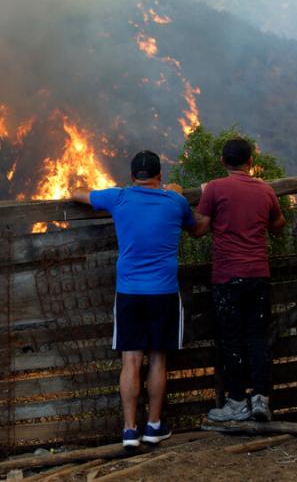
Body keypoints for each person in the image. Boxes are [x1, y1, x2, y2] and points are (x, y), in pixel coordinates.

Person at [72, 150, 196, 449]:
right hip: (164, 292)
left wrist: (94, 193)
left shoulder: (118, 198)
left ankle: (130, 431)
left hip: (129, 292)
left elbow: (76, 194)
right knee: (157, 359)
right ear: (159, 176)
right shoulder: (175, 200)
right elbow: (195, 228)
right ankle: (153, 426)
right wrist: (175, 193)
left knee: (131, 359)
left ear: (132, 177)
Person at [191, 138, 286, 422]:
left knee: (231, 340)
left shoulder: (215, 188)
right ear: (251, 162)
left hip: (228, 277)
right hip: (258, 275)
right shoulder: (266, 189)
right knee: (257, 338)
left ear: (223, 162)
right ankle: (260, 399)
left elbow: (199, 229)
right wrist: (262, 221)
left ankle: (235, 401)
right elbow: (279, 225)